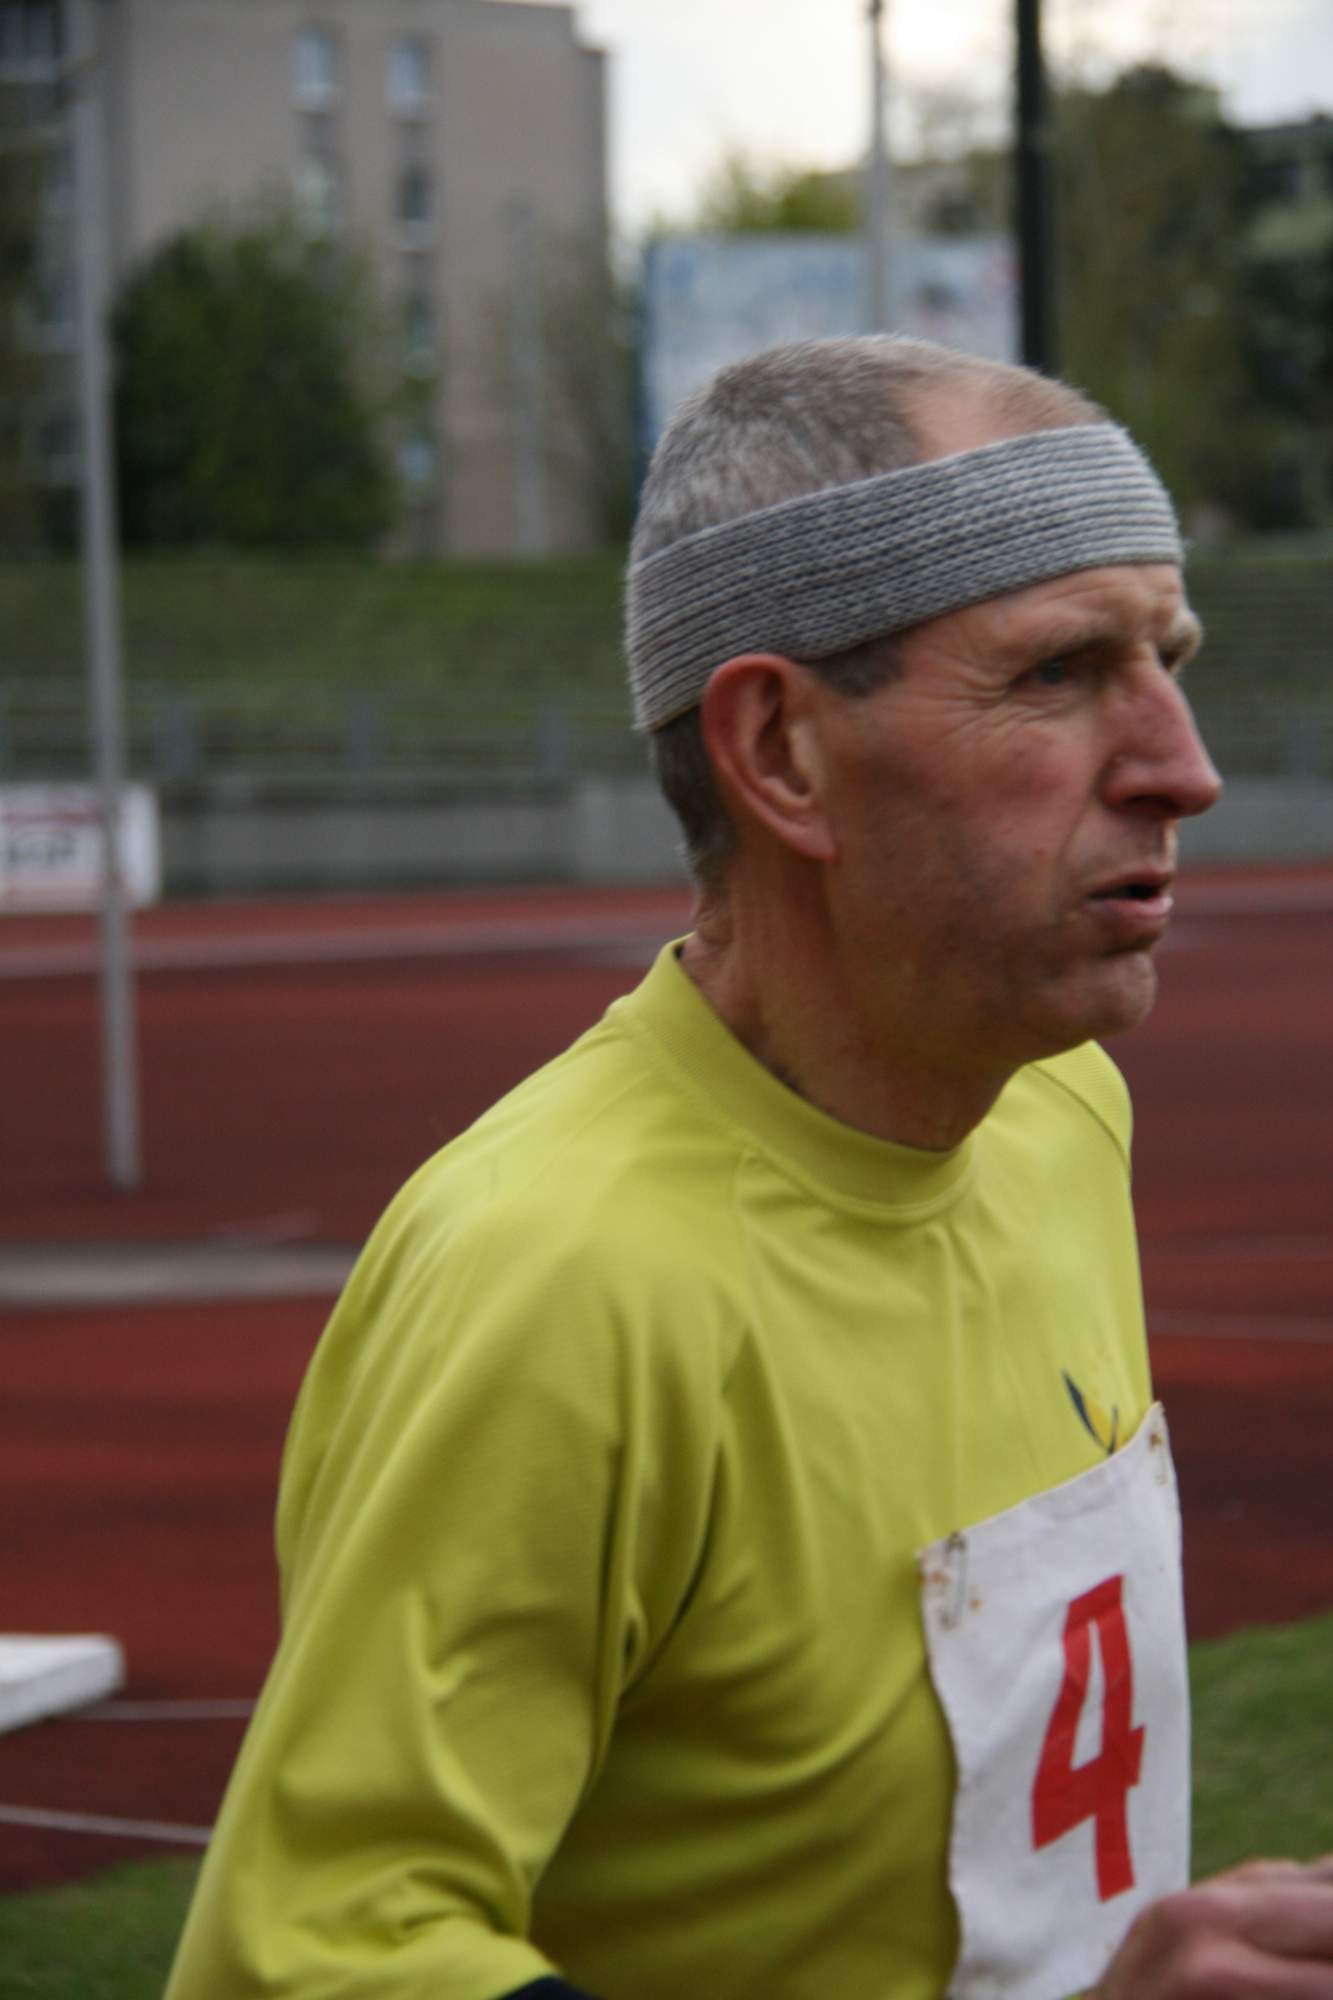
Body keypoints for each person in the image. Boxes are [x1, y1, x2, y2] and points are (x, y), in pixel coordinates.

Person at [165, 336, 1333, 2000]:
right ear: (780, 752)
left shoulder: (1059, 1111)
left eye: (1169, 657)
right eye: (1060, 673)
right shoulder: (557, 1277)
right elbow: (314, 1959)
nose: (1181, 765)